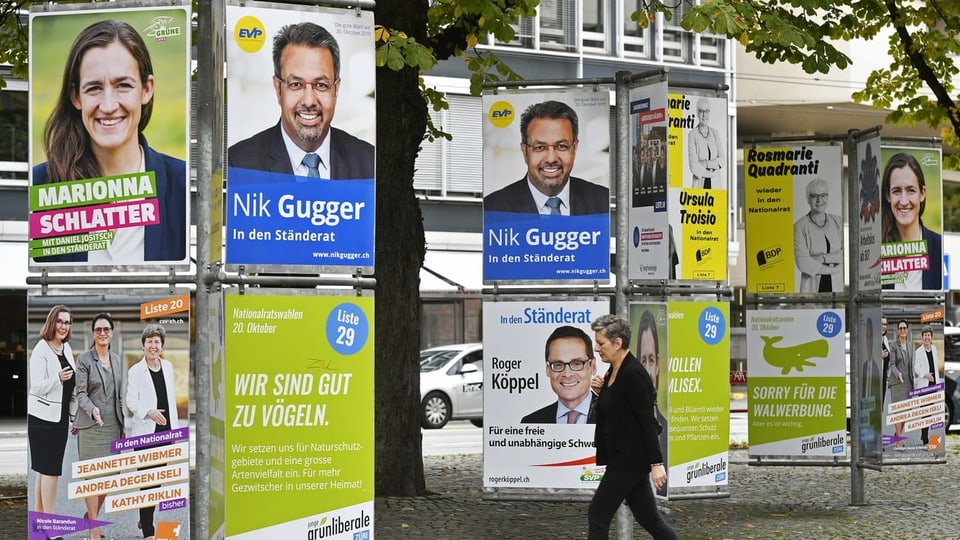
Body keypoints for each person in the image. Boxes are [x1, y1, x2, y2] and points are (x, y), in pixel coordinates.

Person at [33, 19, 187, 264]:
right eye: (94, 88)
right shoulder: (42, 186)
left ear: (147, 89)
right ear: (76, 96)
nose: (108, 106)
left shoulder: (182, 188)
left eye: (123, 85)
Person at [228, 22, 374, 180]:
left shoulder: (369, 162)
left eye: (321, 85)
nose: (309, 101)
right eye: (296, 85)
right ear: (278, 88)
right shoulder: (239, 165)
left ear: (336, 89)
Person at [587, 314, 678, 540]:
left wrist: (657, 463)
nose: (597, 349)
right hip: (627, 460)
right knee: (651, 520)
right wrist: (602, 392)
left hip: (627, 461)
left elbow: (647, 420)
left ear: (618, 343)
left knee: (597, 515)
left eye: (601, 343)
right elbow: (618, 410)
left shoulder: (633, 374)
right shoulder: (614, 370)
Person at [484, 100, 609, 215]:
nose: (551, 159)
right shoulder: (494, 208)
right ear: (524, 151)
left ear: (574, 148)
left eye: (561, 146)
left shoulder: (602, 201)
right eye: (540, 147)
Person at [73, 313, 124, 540]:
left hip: (113, 424)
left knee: (110, 476)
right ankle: (94, 529)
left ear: (112, 332)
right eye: (98, 329)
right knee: (91, 477)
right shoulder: (84, 359)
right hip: (91, 426)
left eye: (106, 329)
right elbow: (80, 392)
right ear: (93, 333)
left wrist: (123, 423)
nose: (102, 333)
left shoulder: (117, 358)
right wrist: (92, 409)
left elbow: (118, 395)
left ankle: (90, 515)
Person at [126, 324, 179, 540]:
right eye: (149, 342)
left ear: (162, 345)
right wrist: (148, 412)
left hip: (165, 432)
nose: (153, 346)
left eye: (157, 342)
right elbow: (131, 400)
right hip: (146, 433)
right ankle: (149, 530)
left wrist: (174, 432)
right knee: (146, 480)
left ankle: (144, 516)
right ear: (143, 344)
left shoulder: (167, 366)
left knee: (156, 482)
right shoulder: (136, 370)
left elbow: (171, 401)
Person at [27, 305, 76, 519]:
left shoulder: (66, 349)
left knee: (45, 470)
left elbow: (72, 388)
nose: (63, 326)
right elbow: (36, 386)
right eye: (60, 321)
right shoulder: (41, 348)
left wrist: (74, 417)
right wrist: (57, 378)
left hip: (60, 418)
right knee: (51, 471)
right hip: (42, 419)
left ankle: (40, 519)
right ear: (52, 322)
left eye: (67, 322)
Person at [881, 152, 942, 291]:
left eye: (911, 190)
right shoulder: (876, 252)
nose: (903, 201)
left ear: (922, 193)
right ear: (887, 195)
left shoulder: (939, 247)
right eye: (896, 191)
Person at [522, 326, 599, 424]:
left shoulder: (616, 416)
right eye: (558, 365)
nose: (567, 374)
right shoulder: (531, 423)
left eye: (576, 364)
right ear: (548, 369)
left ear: (593, 366)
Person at [636, 309, 669, 496]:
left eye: (651, 360)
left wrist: (656, 465)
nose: (647, 369)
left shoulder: (666, 427)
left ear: (658, 364)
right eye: (642, 361)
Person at [793, 177, 843, 293]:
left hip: (836, 288)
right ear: (808, 199)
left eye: (823, 195)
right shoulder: (799, 226)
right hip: (811, 289)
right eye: (814, 196)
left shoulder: (838, 221)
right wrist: (834, 269)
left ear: (828, 197)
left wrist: (821, 258)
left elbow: (844, 255)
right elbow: (803, 263)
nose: (819, 200)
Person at [686, 96, 725, 189]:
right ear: (697, 113)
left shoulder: (715, 133)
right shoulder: (692, 135)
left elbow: (722, 160)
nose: (704, 115)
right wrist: (712, 173)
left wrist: (705, 163)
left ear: (709, 112)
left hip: (716, 187)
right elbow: (694, 167)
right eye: (701, 111)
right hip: (699, 188)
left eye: (706, 111)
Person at [913, 324, 941, 446]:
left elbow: (935, 366)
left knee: (929, 412)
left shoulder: (934, 349)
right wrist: (925, 374)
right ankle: (925, 438)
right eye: (925, 335)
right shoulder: (918, 351)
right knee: (924, 412)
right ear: (922, 337)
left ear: (931, 337)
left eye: (929, 335)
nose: (927, 337)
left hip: (933, 386)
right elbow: (916, 367)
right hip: (924, 386)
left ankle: (924, 434)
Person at [887, 320, 912, 449]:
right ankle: (899, 441)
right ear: (898, 330)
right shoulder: (893, 346)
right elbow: (892, 365)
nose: (902, 330)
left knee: (906, 412)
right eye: (900, 328)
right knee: (898, 411)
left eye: (904, 328)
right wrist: (898, 374)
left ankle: (897, 435)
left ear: (907, 330)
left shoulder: (910, 345)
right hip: (897, 383)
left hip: (908, 383)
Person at [880, 317, 890, 404]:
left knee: (881, 405)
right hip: (875, 378)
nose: (883, 326)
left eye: (885, 324)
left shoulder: (885, 339)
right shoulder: (873, 338)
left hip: (884, 377)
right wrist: (880, 356)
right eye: (881, 324)